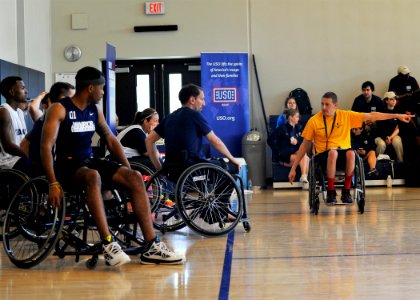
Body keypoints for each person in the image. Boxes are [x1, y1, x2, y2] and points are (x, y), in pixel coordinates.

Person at [41, 66, 184, 267]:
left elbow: (110, 139)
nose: (103, 93)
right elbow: (46, 146)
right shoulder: (60, 108)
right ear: (91, 88)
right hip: (67, 166)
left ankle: (151, 246)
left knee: (133, 176)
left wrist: (128, 172)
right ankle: (108, 244)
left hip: (88, 161)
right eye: (102, 88)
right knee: (93, 176)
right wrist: (52, 183)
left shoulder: (94, 111)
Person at [288, 92, 413, 204]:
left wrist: (397, 115)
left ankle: (346, 190)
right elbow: (305, 145)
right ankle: (331, 191)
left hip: (342, 153)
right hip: (324, 156)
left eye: (327, 105)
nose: (324, 107)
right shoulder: (314, 120)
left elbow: (372, 115)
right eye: (322, 104)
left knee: (352, 153)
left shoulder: (346, 115)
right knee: (332, 153)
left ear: (336, 105)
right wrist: (293, 168)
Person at [146, 83, 241, 182]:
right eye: (202, 99)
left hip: (171, 171)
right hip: (191, 169)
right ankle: (221, 198)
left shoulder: (169, 117)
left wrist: (159, 167)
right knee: (232, 167)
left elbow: (149, 140)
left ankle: (204, 195)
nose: (204, 103)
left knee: (213, 166)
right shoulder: (195, 115)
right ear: (192, 100)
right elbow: (214, 140)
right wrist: (232, 158)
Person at [268, 108, 309, 188]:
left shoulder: (299, 128)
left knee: (305, 156)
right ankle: (304, 180)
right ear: (290, 117)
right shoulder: (282, 128)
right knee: (303, 157)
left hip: (295, 153)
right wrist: (277, 151)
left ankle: (304, 177)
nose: (298, 118)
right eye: (296, 116)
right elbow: (270, 140)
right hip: (285, 156)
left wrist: (297, 142)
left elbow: (303, 141)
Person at [0, 76, 29, 172]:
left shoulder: (20, 112)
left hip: (19, 158)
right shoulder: (4, 112)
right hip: (8, 163)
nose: (26, 91)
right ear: (12, 92)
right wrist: (28, 155)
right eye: (22, 88)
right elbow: (8, 147)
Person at [375, 91, 404, 162]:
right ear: (386, 101)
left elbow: (397, 128)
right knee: (382, 145)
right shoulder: (381, 112)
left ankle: (400, 163)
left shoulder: (398, 112)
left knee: (397, 141)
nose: (394, 101)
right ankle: (374, 163)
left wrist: (390, 137)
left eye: (395, 99)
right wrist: (386, 138)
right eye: (391, 99)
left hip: (393, 135)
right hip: (380, 136)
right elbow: (379, 128)